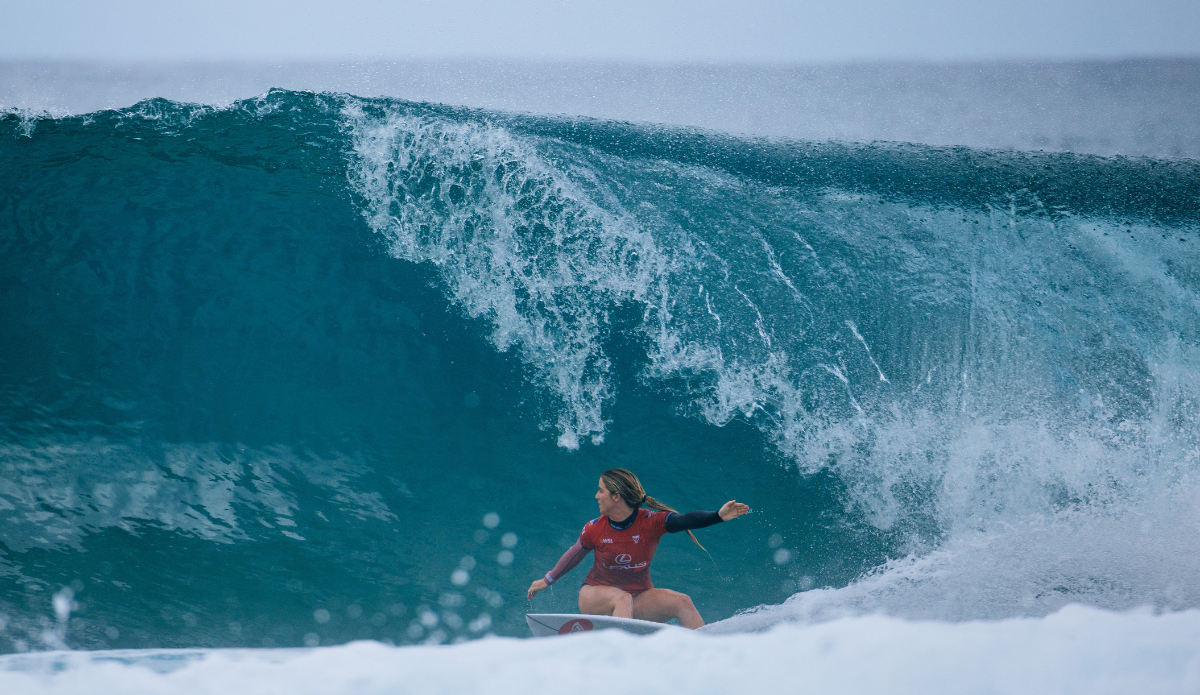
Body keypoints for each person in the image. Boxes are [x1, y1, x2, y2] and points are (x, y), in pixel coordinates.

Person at [526, 468, 750, 629]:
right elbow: (574, 554)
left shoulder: (651, 523)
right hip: (595, 595)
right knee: (621, 598)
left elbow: (686, 520)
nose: (596, 496)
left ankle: (709, 655)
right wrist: (548, 579)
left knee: (683, 602)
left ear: (616, 496)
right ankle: (626, 657)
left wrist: (718, 516)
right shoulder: (594, 528)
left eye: (601, 490)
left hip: (638, 597)